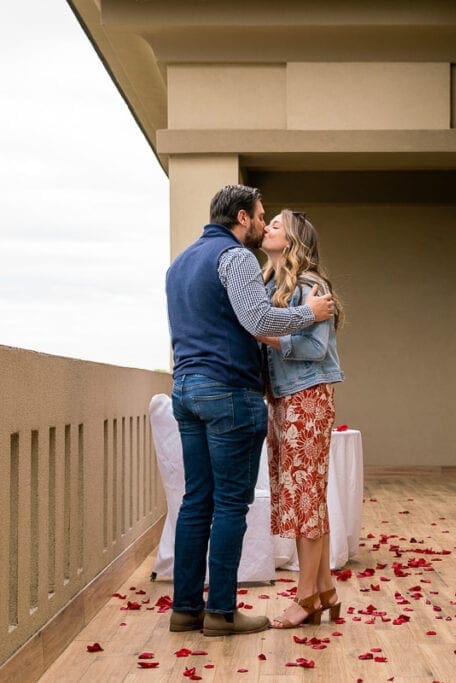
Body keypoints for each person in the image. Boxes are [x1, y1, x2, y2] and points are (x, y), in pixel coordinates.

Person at [164, 185, 335, 637]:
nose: (262, 225)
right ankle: (220, 612)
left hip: (184, 387)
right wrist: (310, 313)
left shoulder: (179, 263)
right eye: (261, 217)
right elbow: (258, 321)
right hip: (226, 393)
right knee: (229, 505)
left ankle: (184, 609)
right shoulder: (236, 257)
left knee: (195, 501)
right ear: (242, 218)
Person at [256, 209, 345, 629]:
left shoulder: (312, 286)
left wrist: (264, 334)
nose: (267, 227)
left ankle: (306, 597)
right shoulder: (270, 284)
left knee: (305, 498)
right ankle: (324, 589)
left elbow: (313, 350)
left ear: (291, 241)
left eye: (276, 224)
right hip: (283, 398)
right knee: (302, 496)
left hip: (307, 397)